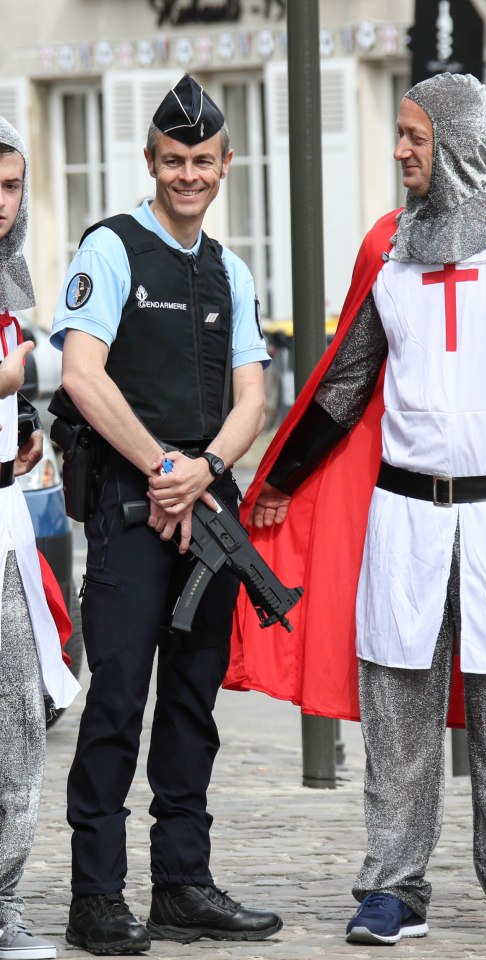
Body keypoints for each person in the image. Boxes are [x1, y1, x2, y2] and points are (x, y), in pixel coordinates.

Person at [226, 74, 486, 947]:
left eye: (414, 136)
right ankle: (392, 888)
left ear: (454, 141)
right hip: (404, 517)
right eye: (401, 134)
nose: (400, 150)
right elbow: (345, 382)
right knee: (398, 713)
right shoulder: (387, 245)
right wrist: (280, 482)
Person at [49, 75, 282, 955]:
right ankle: (96, 898)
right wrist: (164, 470)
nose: (189, 175)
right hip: (129, 507)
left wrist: (208, 469)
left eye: (203, 162)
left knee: (191, 705)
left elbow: (253, 393)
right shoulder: (109, 249)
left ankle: (182, 883)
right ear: (151, 162)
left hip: (203, 514)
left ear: (225, 167)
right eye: (174, 160)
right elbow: (82, 372)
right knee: (116, 702)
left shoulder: (231, 268)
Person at [1, 117, 81, 960]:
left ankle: (2, 900)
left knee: (20, 715)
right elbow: (28, 363)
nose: (0, 203)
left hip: (7, 520)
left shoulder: (10, 278)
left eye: (12, 185)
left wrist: (25, 423)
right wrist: (38, 368)